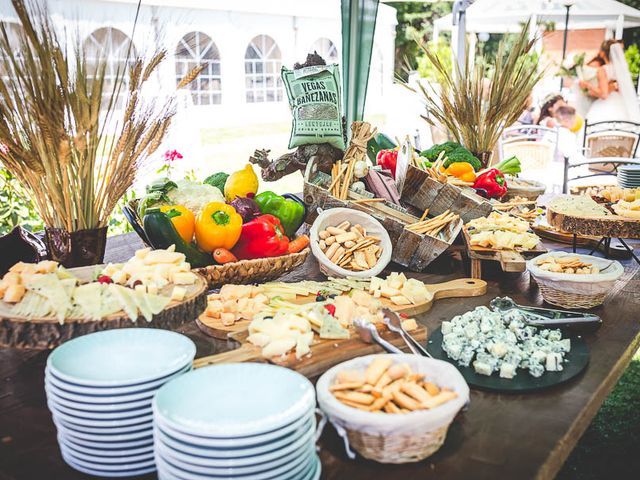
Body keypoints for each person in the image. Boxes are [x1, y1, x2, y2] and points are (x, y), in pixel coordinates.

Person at [580, 40, 640, 123]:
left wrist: (587, 85)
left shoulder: (603, 69)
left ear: (603, 53)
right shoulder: (622, 70)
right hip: (621, 104)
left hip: (607, 105)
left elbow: (604, 94)